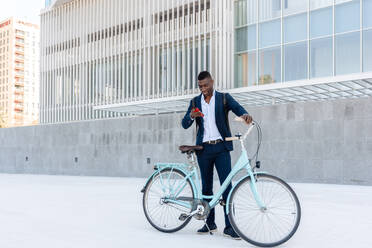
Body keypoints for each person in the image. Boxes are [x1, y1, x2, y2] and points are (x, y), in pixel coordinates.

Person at [181, 71, 252, 240]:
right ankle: (209, 223)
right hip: (203, 150)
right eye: (200, 86)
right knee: (206, 188)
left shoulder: (223, 98)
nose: (203, 89)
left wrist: (245, 115)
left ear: (212, 82)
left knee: (227, 187)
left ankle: (230, 227)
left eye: (206, 85)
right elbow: (184, 124)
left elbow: (238, 109)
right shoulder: (195, 102)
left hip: (221, 149)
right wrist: (192, 115)